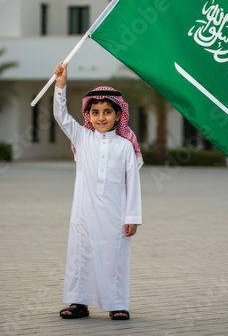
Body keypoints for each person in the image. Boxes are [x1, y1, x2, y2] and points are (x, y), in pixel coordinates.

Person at [53, 62, 143, 321]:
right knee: (81, 256)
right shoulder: (82, 138)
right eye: (95, 112)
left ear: (118, 116)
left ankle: (118, 304)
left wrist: (132, 217)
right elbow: (61, 116)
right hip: (84, 215)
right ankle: (79, 303)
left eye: (107, 112)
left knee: (114, 259)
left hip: (115, 217)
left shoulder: (125, 147)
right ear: (88, 115)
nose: (101, 117)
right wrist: (61, 86)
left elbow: (133, 185)